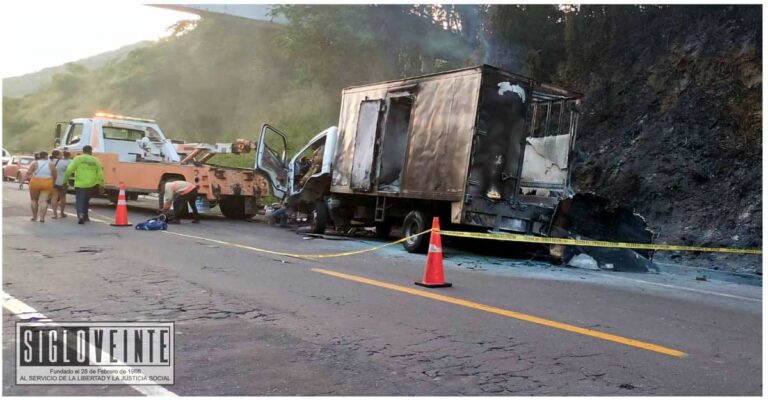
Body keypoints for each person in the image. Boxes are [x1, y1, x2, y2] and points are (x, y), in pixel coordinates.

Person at [64, 145, 105, 224]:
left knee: (80, 200)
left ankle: (80, 214)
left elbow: (69, 170)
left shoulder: (78, 158)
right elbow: (100, 173)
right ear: (90, 151)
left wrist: (65, 181)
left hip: (80, 184)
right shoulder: (95, 160)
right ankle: (85, 216)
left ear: (83, 151)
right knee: (86, 200)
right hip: (92, 184)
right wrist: (101, 184)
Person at [24, 151, 57, 223]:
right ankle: (42, 218)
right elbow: (55, 175)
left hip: (35, 182)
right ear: (46, 156)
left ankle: (34, 217)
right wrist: (53, 182)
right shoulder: (51, 164)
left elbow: (28, 173)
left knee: (34, 200)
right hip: (47, 182)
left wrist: (22, 181)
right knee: (43, 201)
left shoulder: (34, 163)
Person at [50, 150, 72, 219]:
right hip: (62, 182)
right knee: (63, 197)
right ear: (57, 155)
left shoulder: (50, 162)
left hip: (53, 181)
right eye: (60, 154)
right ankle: (62, 213)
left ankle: (54, 214)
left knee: (54, 197)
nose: (62, 156)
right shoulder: (63, 162)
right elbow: (70, 170)